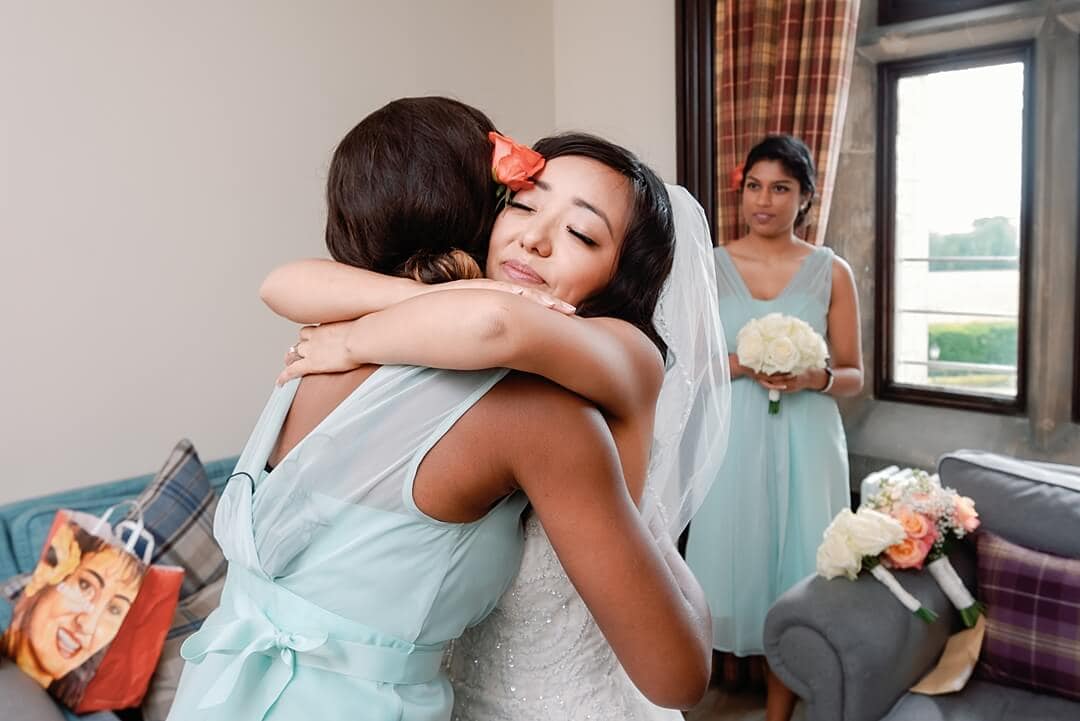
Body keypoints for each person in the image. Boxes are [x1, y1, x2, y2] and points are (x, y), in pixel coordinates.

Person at [165, 98, 718, 721]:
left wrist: (352, 337)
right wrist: (416, 301)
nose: (535, 239)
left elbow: (495, 322)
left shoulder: (620, 356)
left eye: (582, 233)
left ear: (622, 278)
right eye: (524, 205)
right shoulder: (443, 356)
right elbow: (283, 283)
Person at [684, 134, 863, 721]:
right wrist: (745, 364)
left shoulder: (830, 271)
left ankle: (778, 714)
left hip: (808, 436)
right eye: (754, 186)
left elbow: (854, 375)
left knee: (801, 563)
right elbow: (687, 363)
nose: (764, 200)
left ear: (805, 197)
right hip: (733, 437)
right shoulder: (709, 266)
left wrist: (813, 377)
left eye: (781, 188)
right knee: (737, 556)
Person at [2, 521, 145, 706]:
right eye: (85, 585)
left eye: (114, 609)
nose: (87, 625)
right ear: (49, 572)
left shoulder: (92, 699)